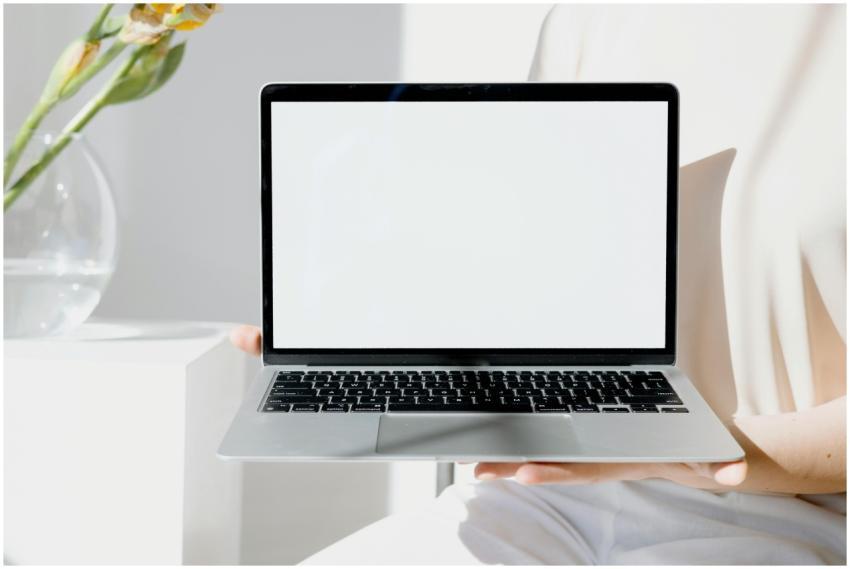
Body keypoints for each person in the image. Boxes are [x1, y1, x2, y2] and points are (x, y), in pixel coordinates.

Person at [231, 5, 846, 564]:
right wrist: (376, 328)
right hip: (546, 501)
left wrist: (677, 451)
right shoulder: (592, 20)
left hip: (794, 519)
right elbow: (543, 265)